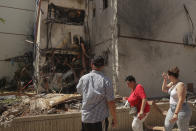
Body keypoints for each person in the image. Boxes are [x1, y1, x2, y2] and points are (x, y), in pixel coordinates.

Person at [76, 56, 117, 131]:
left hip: (86, 118)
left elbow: (79, 91)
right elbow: (111, 102)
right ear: (103, 66)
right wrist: (114, 118)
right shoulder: (106, 80)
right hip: (99, 119)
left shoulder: (83, 78)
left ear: (92, 64)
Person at [161, 66, 192, 131]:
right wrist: (165, 80)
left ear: (172, 75)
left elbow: (181, 99)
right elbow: (164, 89)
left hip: (182, 110)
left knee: (183, 129)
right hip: (172, 109)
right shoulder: (172, 83)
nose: (167, 76)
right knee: (167, 127)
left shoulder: (180, 85)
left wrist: (176, 114)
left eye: (168, 75)